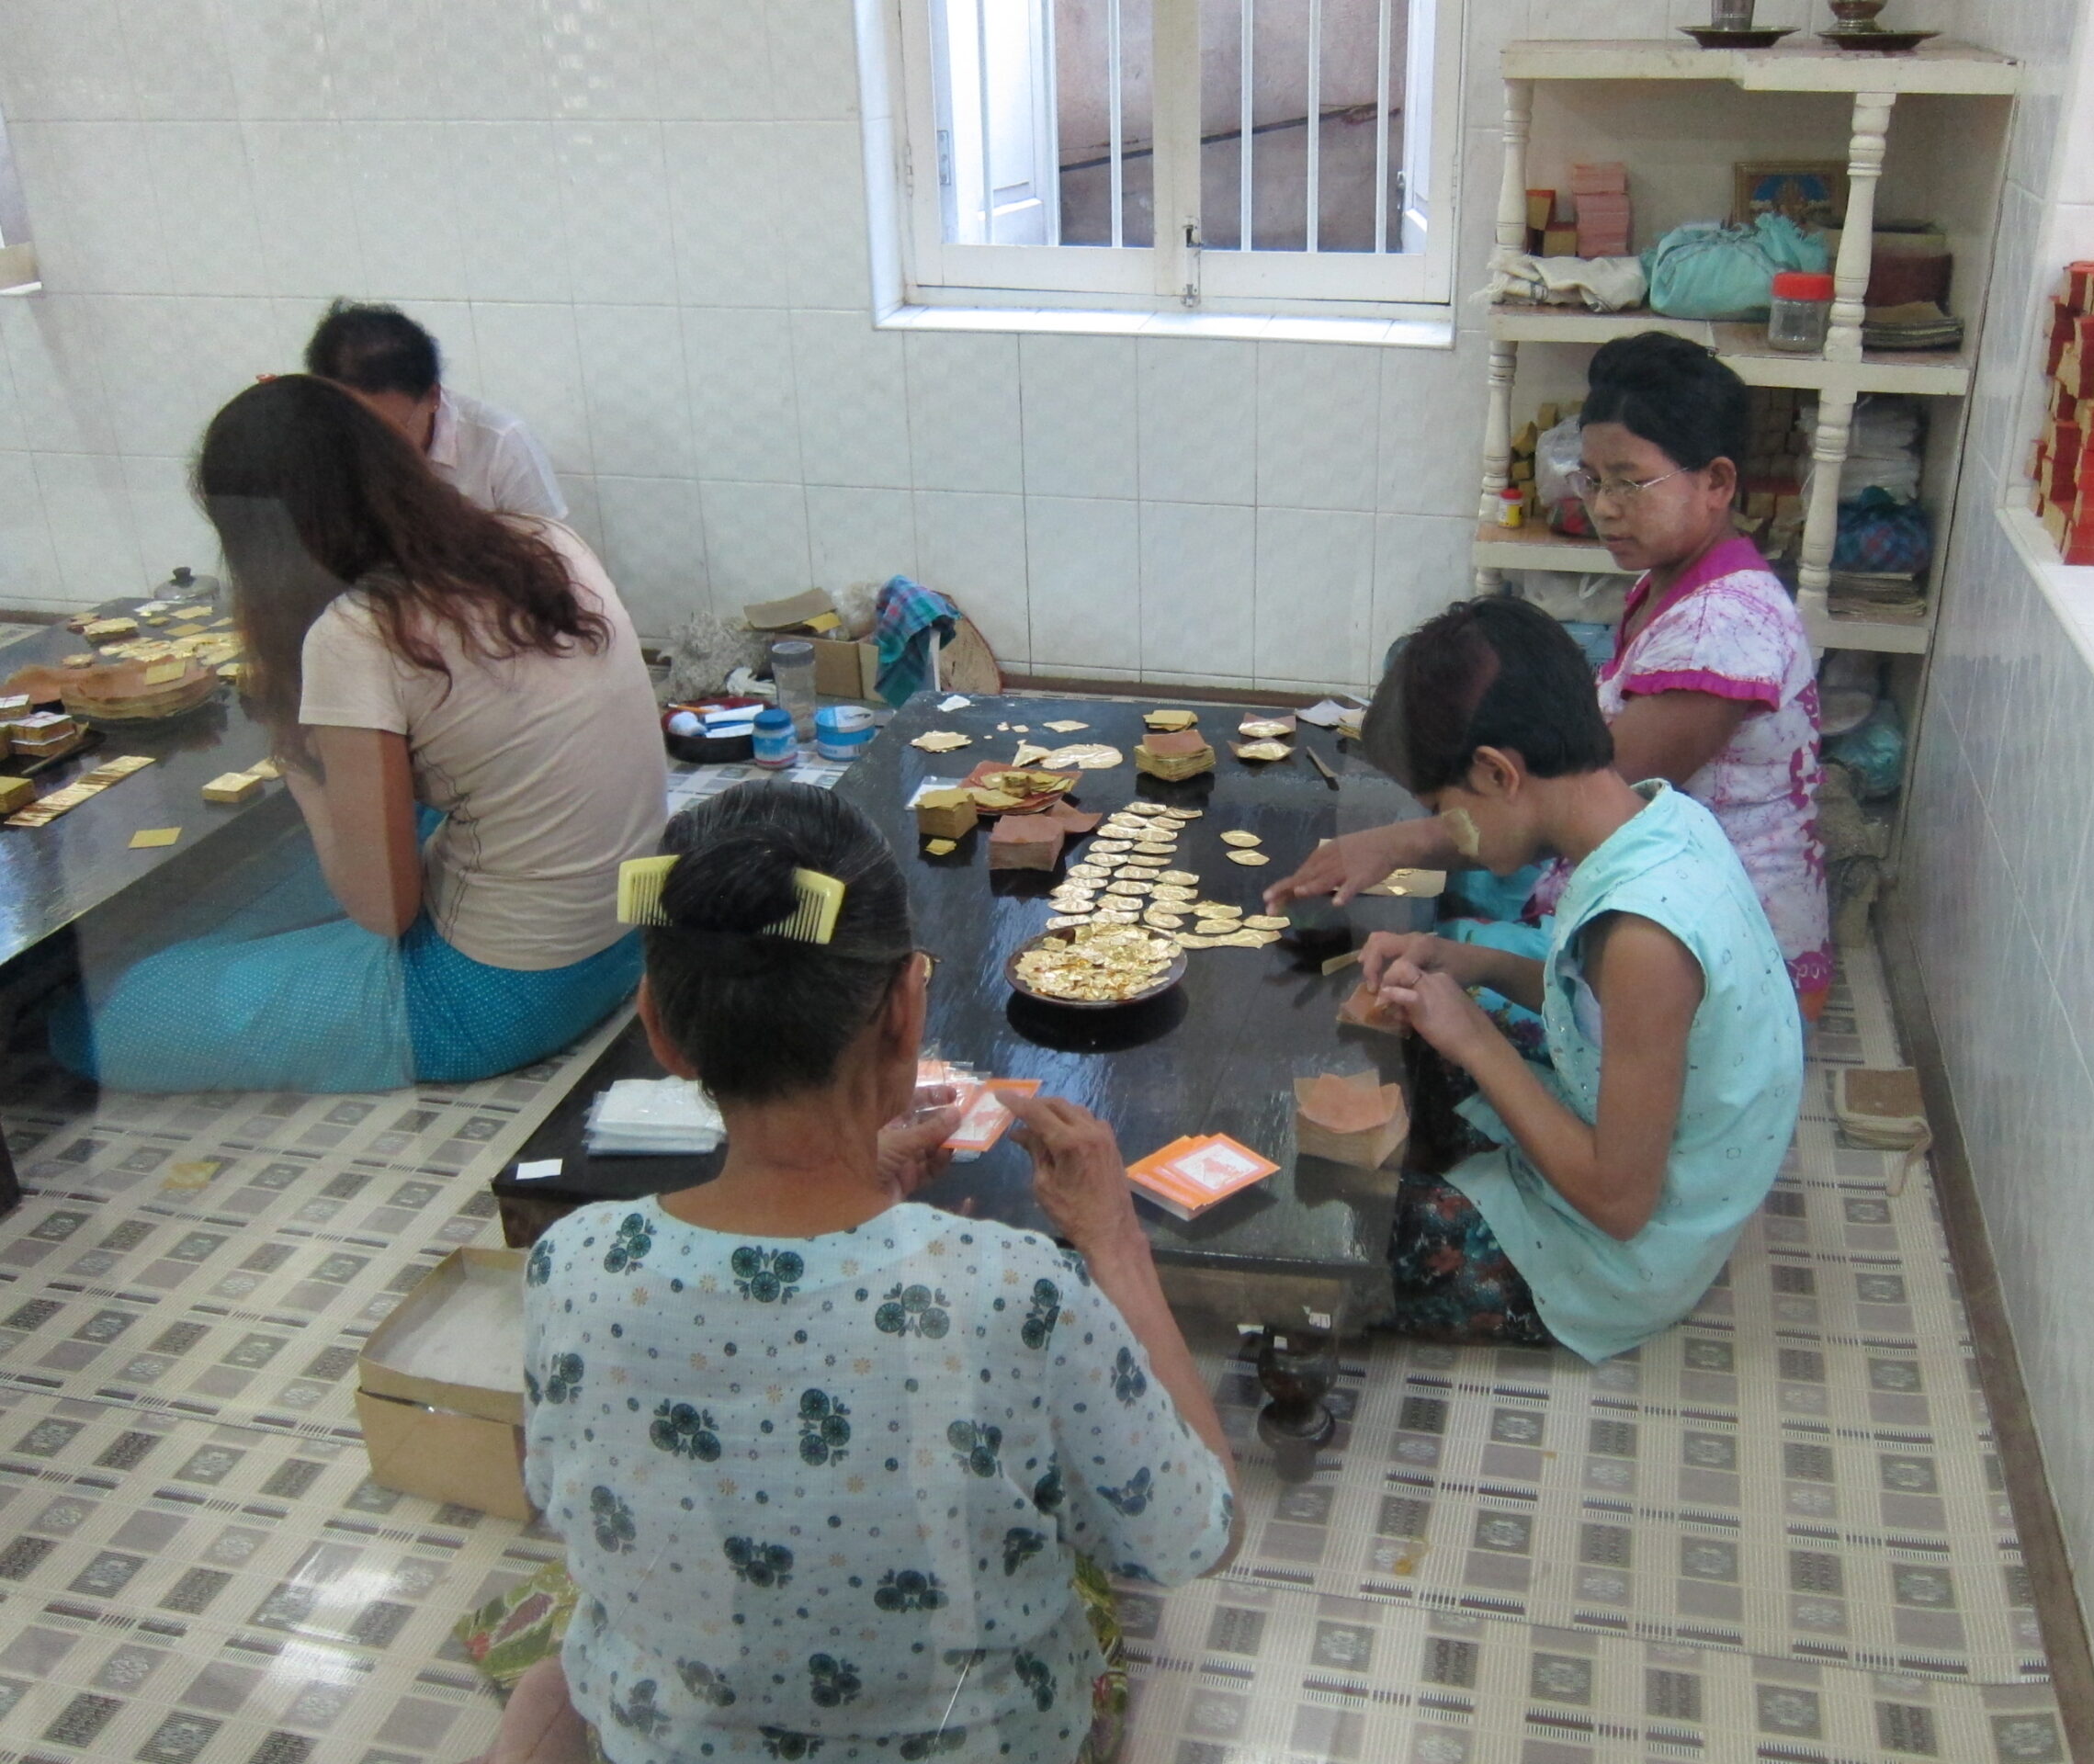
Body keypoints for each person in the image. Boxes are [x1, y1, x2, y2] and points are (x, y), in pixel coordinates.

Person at [499, 782, 1238, 1764]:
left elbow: (560, 1492)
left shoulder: (575, 1266)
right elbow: (1197, 1536)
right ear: (904, 1011)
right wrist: (1116, 1246)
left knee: (556, 1664)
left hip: (684, 1742)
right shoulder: (1020, 1295)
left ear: (660, 1028)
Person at [51, 375, 665, 1091]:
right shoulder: (544, 541)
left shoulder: (358, 633)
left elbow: (384, 911)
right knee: (269, 895)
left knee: (97, 1016)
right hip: (634, 938)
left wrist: (302, 770)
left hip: (498, 999)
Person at [1269, 331, 1832, 1012]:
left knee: (1425, 961)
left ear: (1716, 482)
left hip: (1719, 964)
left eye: (1630, 481)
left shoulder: (1722, 628)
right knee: (1458, 891)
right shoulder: (1669, 582)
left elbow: (1568, 797)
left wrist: (1394, 844)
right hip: (1654, 892)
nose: (1604, 506)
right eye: (1592, 480)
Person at [1353, 596, 1804, 1355]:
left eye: (1444, 809)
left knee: (1337, 1238)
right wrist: (1474, 964)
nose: (1447, 834)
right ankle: (1444, 1156)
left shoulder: (1644, 936)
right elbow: (1601, 1009)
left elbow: (1620, 1205)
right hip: (1614, 1149)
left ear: (1497, 773)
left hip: (1613, 1258)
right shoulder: (1660, 821)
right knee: (1411, 1036)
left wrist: (1475, 1041)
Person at [304, 299, 569, 521]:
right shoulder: (315, 441)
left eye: (390, 429)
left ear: (432, 396)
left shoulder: (501, 441)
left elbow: (550, 553)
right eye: (352, 428)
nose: (372, 445)